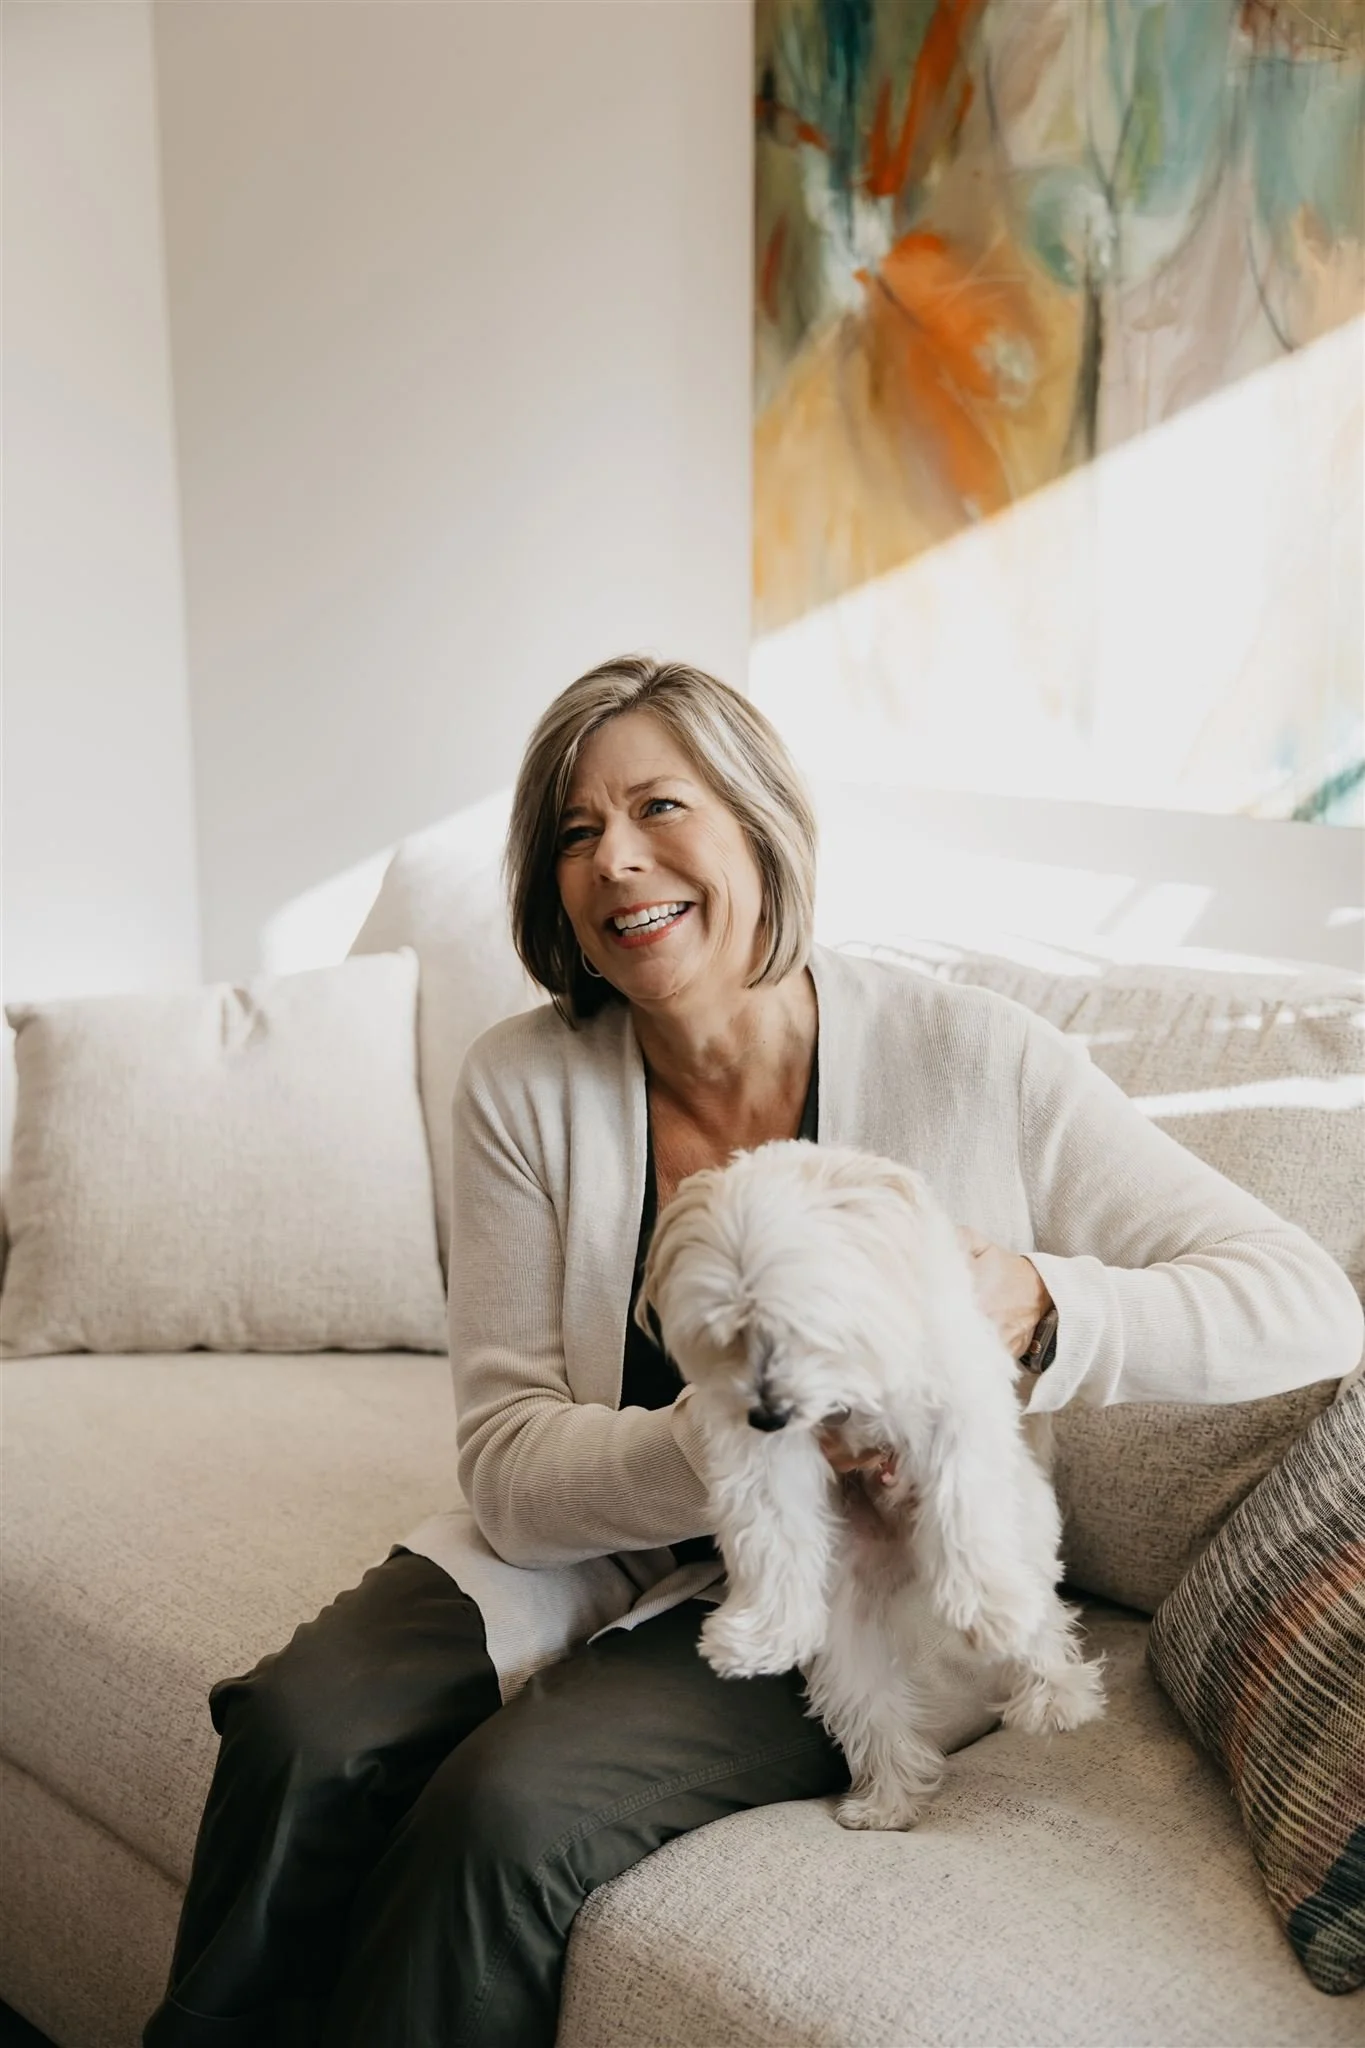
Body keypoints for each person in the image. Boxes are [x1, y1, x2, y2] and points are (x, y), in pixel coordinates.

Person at [143, 656, 1363, 2048]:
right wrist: (736, 1435)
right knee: (305, 1729)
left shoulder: (980, 1058)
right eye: (574, 832)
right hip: (599, 1525)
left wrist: (1033, 1302)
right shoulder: (522, 1085)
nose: (619, 862)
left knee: (507, 1815)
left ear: (758, 821)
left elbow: (1309, 1305)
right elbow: (506, 1468)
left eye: (661, 806)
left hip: (878, 1567)